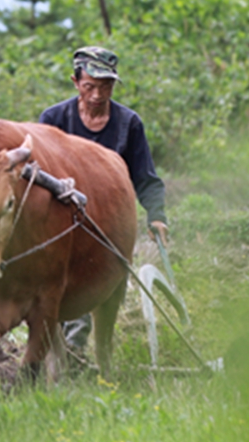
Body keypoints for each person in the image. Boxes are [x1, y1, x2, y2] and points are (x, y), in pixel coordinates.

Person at [38, 46, 168, 352]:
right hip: (62, 226)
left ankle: (98, 356)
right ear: (75, 82)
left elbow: (146, 177)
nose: (97, 95)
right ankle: (68, 355)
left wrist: (157, 215)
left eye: (106, 87)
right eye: (90, 87)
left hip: (109, 226)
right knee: (58, 291)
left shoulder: (128, 124)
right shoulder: (53, 119)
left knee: (104, 294)